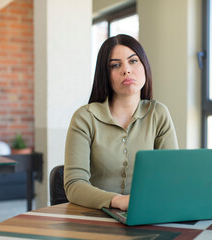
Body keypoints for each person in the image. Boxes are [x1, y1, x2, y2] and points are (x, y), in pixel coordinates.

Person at [64, 34, 178, 211]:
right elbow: (74, 185)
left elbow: (171, 177)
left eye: (133, 61)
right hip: (94, 219)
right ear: (105, 74)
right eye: (115, 65)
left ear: (145, 66)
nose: (126, 70)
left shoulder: (158, 114)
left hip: (146, 216)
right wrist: (118, 201)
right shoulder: (84, 118)